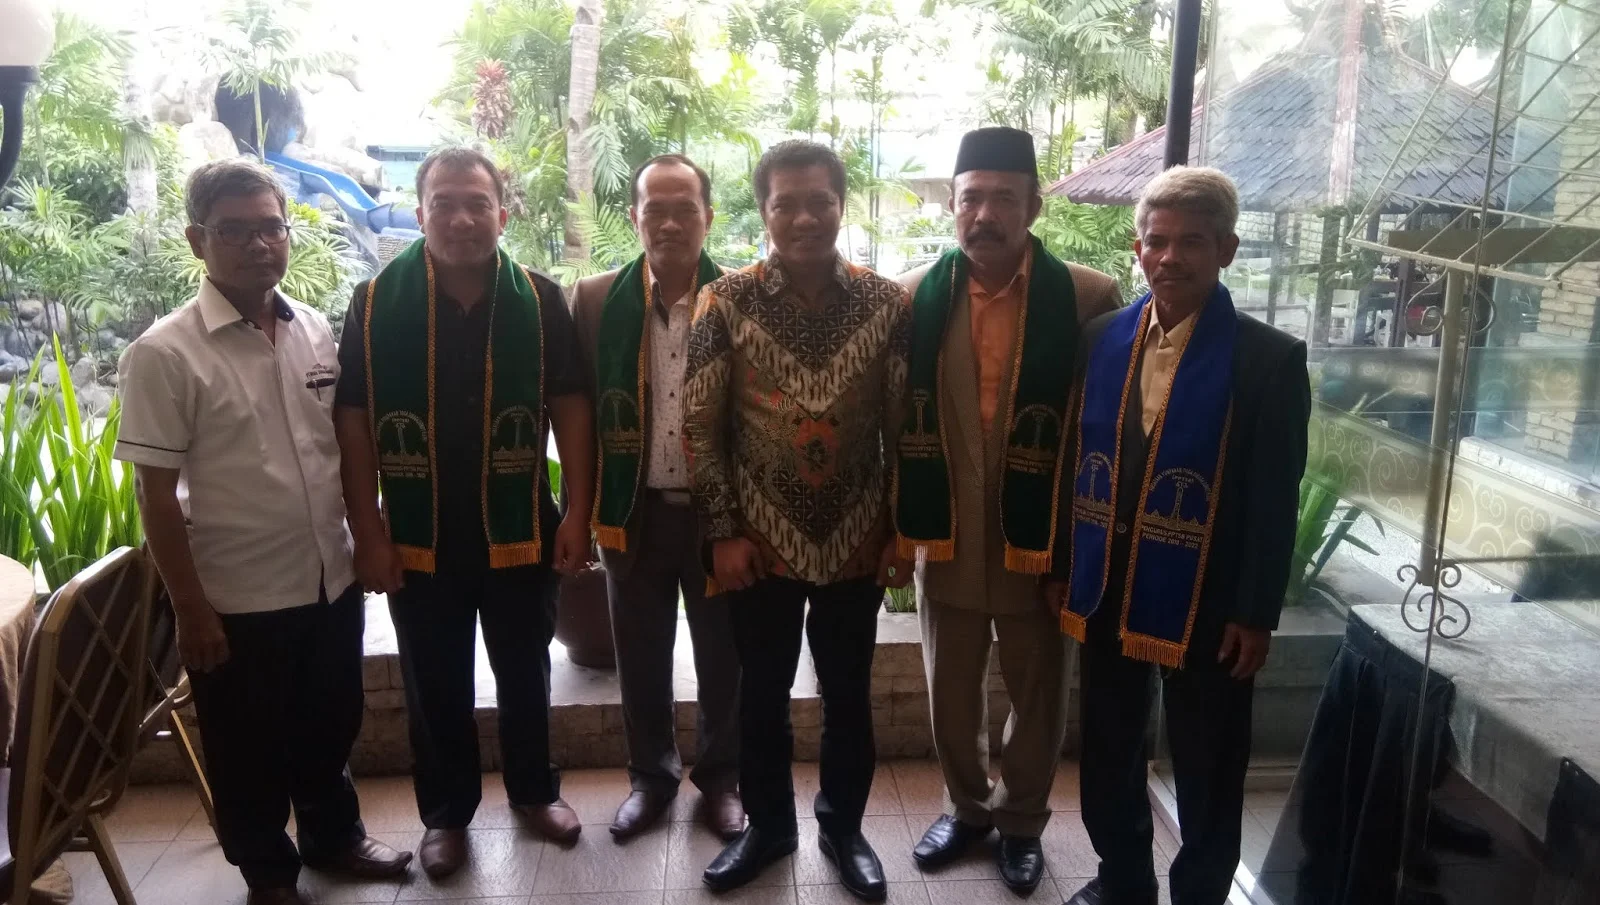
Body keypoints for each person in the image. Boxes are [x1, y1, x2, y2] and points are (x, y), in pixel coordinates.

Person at [116, 159, 413, 905]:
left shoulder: (310, 326)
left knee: (330, 720)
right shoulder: (164, 352)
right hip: (237, 595)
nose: (258, 244)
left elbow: (340, 445)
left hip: (327, 576)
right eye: (235, 231)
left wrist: (365, 538)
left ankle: (334, 837)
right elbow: (155, 494)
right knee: (245, 745)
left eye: (271, 227)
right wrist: (191, 608)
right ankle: (268, 872)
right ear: (198, 240)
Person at [1048, 166, 1310, 905]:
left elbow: (1274, 496)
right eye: (1156, 242)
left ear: (1226, 249)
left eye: (1191, 242)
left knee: (1208, 763)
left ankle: (1199, 892)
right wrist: (1065, 565)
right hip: (1107, 583)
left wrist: (1256, 611)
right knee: (1109, 748)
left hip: (1211, 601)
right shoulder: (1103, 338)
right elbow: (1076, 462)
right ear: (1137, 250)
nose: (1170, 258)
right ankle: (1123, 879)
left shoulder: (1268, 358)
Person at [333, 146, 596, 879]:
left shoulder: (539, 299)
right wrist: (367, 529)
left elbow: (571, 407)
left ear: (501, 215)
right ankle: (446, 814)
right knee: (434, 680)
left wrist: (578, 512)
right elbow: (352, 420)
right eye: (444, 203)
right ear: (420, 214)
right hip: (419, 537)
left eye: (477, 203)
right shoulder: (374, 304)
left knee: (526, 670)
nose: (461, 218)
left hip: (520, 527)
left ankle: (535, 792)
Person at [683, 140, 912, 903]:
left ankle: (843, 829)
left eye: (820, 201)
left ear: (841, 205)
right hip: (759, 544)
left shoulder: (886, 304)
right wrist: (724, 532)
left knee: (848, 696)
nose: (805, 217)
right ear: (764, 210)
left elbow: (905, 427)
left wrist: (900, 529)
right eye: (786, 203)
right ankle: (770, 827)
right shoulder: (726, 301)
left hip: (857, 541)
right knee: (761, 696)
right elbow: (700, 426)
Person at [894, 126, 1122, 894]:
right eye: (971, 198)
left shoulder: (1087, 297)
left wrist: (1081, 548)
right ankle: (966, 807)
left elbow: (1103, 429)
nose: (985, 214)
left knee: (1039, 689)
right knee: (949, 689)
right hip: (948, 530)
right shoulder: (913, 296)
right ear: (952, 206)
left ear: (1033, 206)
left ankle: (1021, 819)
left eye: (1003, 197)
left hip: (1041, 540)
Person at [570, 154, 744, 842]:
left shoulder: (740, 296)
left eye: (685, 209)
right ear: (635, 216)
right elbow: (578, 412)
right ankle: (650, 778)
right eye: (655, 209)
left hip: (718, 517)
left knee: (724, 658)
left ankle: (722, 780)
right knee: (639, 657)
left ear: (708, 216)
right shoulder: (593, 300)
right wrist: (581, 509)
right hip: (633, 511)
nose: (669, 223)